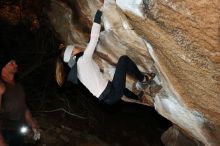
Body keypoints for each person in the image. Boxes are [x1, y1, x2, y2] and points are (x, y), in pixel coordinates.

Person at [56, 4, 156, 106]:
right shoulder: (82, 60)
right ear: (73, 53)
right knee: (123, 60)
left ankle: (140, 87)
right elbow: (94, 38)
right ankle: (144, 79)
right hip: (112, 92)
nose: (76, 47)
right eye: (74, 47)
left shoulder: (76, 68)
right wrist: (97, 17)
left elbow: (89, 48)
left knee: (119, 70)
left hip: (107, 98)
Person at [0, 53, 39, 146]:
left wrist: (32, 124)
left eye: (15, 63)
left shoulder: (18, 86)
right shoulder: (1, 86)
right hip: (5, 131)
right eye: (12, 63)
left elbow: (24, 107)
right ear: (3, 68)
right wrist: (1, 142)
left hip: (18, 130)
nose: (16, 65)